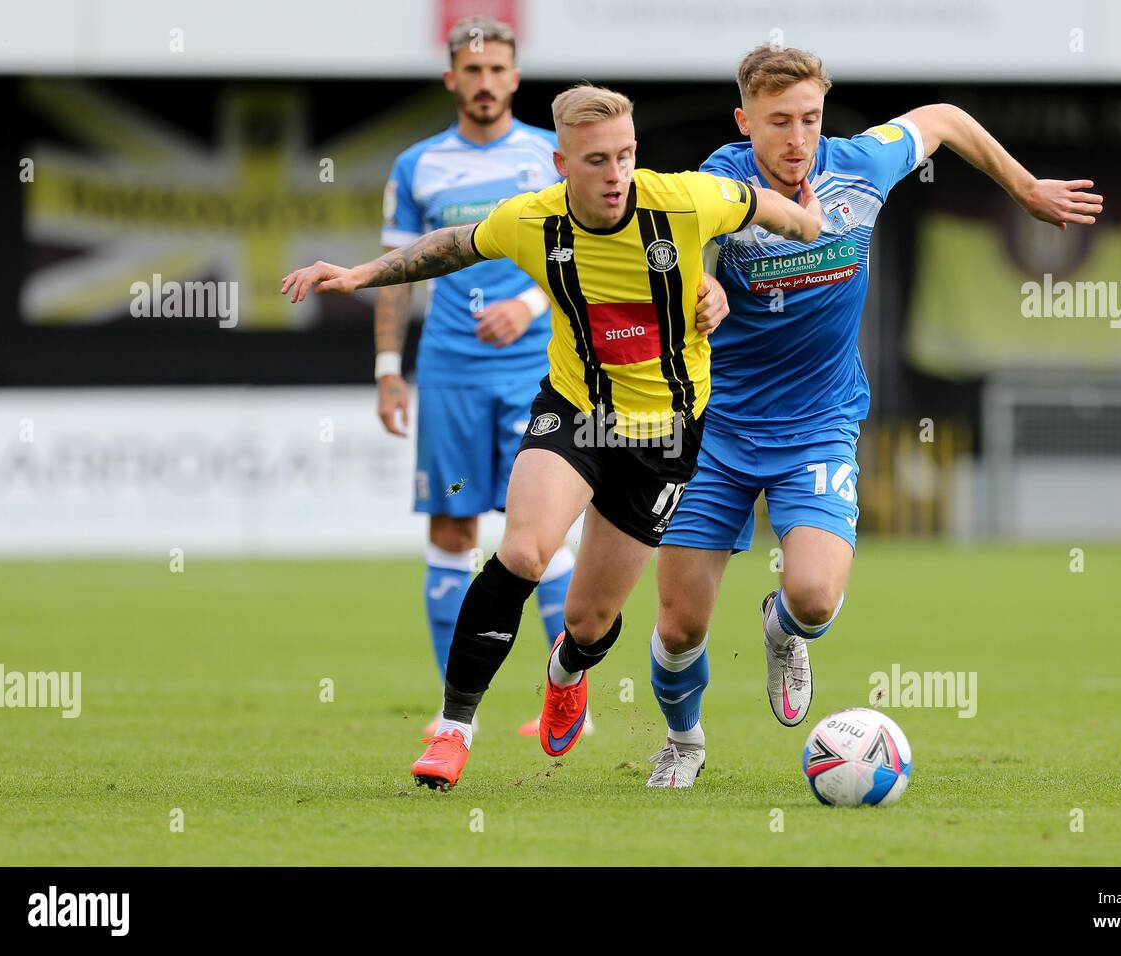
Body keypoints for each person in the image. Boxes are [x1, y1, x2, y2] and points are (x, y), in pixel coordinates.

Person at [282, 83, 822, 791]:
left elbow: (766, 209)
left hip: (663, 434)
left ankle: (566, 671)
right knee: (524, 550)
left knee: (590, 619)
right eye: (598, 160)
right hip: (575, 413)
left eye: (626, 156)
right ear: (561, 163)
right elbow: (451, 246)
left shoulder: (686, 200)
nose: (616, 174)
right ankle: (453, 730)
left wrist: (807, 223)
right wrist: (358, 273)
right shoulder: (531, 220)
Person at [643, 44, 1105, 788]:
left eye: (810, 118)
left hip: (818, 423)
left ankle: (782, 631)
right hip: (714, 427)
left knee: (815, 598)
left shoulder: (859, 164)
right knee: (679, 627)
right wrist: (703, 288)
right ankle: (684, 741)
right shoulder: (715, 184)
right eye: (779, 122)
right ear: (744, 121)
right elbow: (680, 242)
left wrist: (1022, 188)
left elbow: (946, 119)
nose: (798, 138)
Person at [373, 16, 570, 737]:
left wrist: (527, 303)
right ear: (451, 77)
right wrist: (389, 369)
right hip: (451, 372)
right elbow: (396, 275)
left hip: (538, 372)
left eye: (498, 69)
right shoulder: (416, 166)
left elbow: (586, 254)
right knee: (453, 527)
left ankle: (564, 699)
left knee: (538, 534)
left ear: (515, 78)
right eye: (472, 69)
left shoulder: (552, 158)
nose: (485, 82)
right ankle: (459, 711)